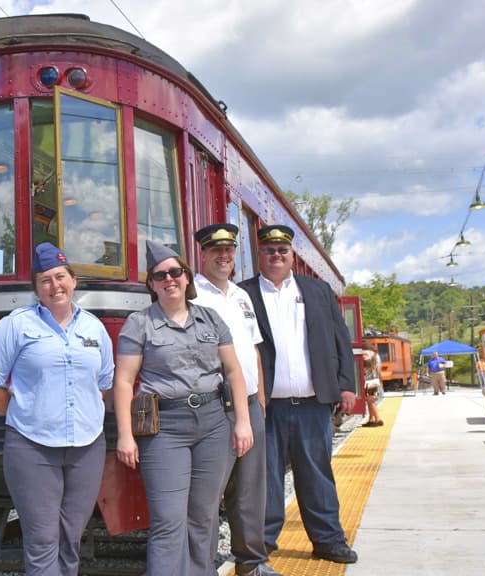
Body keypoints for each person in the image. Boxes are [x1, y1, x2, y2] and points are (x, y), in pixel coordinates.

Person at [113, 239, 254, 576]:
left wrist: (243, 422)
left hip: (213, 423)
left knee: (204, 516)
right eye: (160, 275)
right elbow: (123, 381)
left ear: (187, 277)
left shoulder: (211, 319)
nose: (169, 279)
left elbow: (234, 371)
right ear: (152, 285)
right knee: (167, 519)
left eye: (175, 272)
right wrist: (125, 436)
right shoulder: (140, 323)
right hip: (165, 428)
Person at [0, 242, 114, 576]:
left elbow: (105, 382)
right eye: (46, 281)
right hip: (32, 448)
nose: (55, 286)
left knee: (71, 537)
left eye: (60, 277)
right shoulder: (16, 325)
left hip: (87, 448)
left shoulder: (94, 328)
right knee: (41, 540)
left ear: (73, 280)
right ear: (36, 289)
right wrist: (26, 411)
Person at [237, 224, 359, 565]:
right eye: (268, 250)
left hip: (312, 405)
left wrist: (346, 385)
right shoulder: (242, 294)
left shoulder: (316, 291)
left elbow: (340, 340)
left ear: (291, 255)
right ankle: (261, 545)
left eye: (282, 251)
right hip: (265, 407)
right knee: (265, 478)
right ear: (258, 255)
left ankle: (328, 540)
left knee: (317, 474)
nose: (275, 256)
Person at [189, 224, 280, 576]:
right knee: (208, 492)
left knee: (250, 488)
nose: (224, 256)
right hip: (215, 402)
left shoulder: (242, 296)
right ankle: (203, 566)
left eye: (229, 251)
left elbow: (253, 347)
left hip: (250, 401)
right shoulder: (193, 294)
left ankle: (251, 562)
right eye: (216, 251)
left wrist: (260, 399)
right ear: (204, 254)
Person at [362, 349, 384, 427]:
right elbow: (378, 369)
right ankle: (371, 419)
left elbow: (365, 363)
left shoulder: (365, 353)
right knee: (370, 400)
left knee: (370, 400)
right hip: (374, 379)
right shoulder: (376, 355)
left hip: (369, 381)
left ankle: (378, 419)